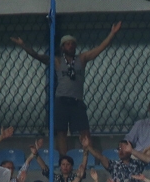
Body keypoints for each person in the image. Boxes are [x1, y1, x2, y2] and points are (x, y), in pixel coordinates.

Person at [11, 24, 122, 156]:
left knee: (85, 131)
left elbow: (99, 49)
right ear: (62, 47)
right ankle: (64, 160)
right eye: (67, 44)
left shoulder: (82, 58)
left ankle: (89, 158)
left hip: (77, 101)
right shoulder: (57, 61)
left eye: (73, 44)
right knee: (61, 132)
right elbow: (37, 56)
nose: (71, 46)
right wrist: (23, 45)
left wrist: (112, 33)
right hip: (61, 101)